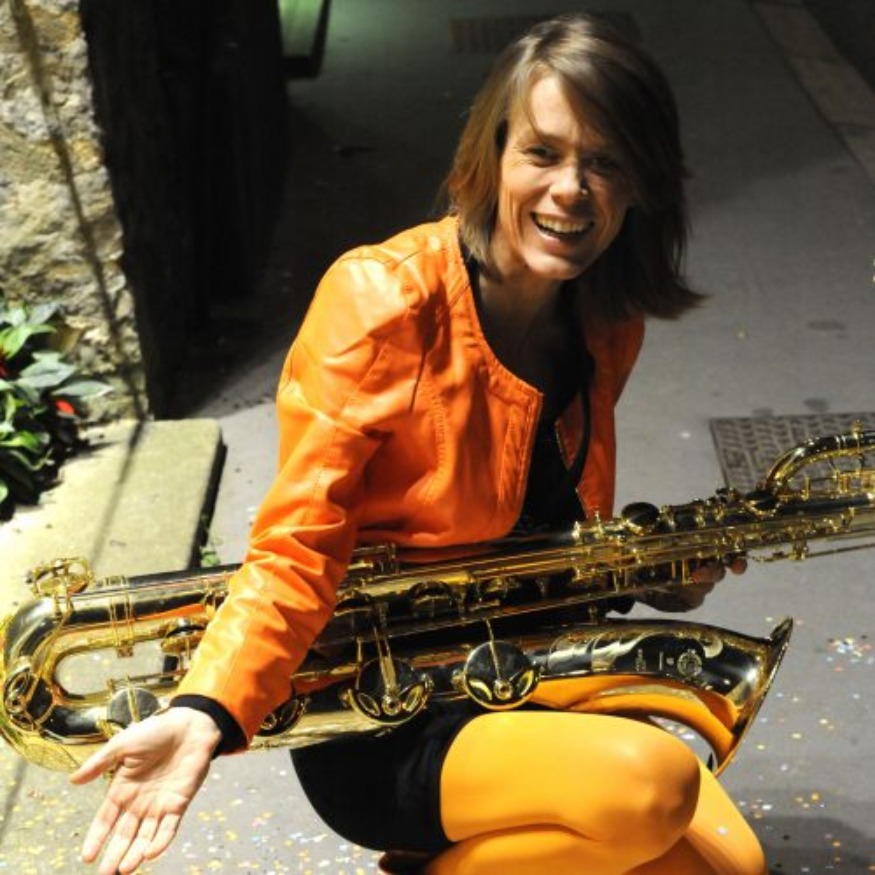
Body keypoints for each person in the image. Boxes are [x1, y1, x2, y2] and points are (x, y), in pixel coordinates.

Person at [70, 14, 764, 875]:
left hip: (528, 672)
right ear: (493, 156)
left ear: (640, 185)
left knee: (731, 867)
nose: (571, 189)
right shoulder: (381, 299)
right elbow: (296, 548)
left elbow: (535, 523)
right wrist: (205, 710)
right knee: (653, 788)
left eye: (605, 162)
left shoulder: (604, 317)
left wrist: (649, 574)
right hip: (389, 712)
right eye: (542, 153)